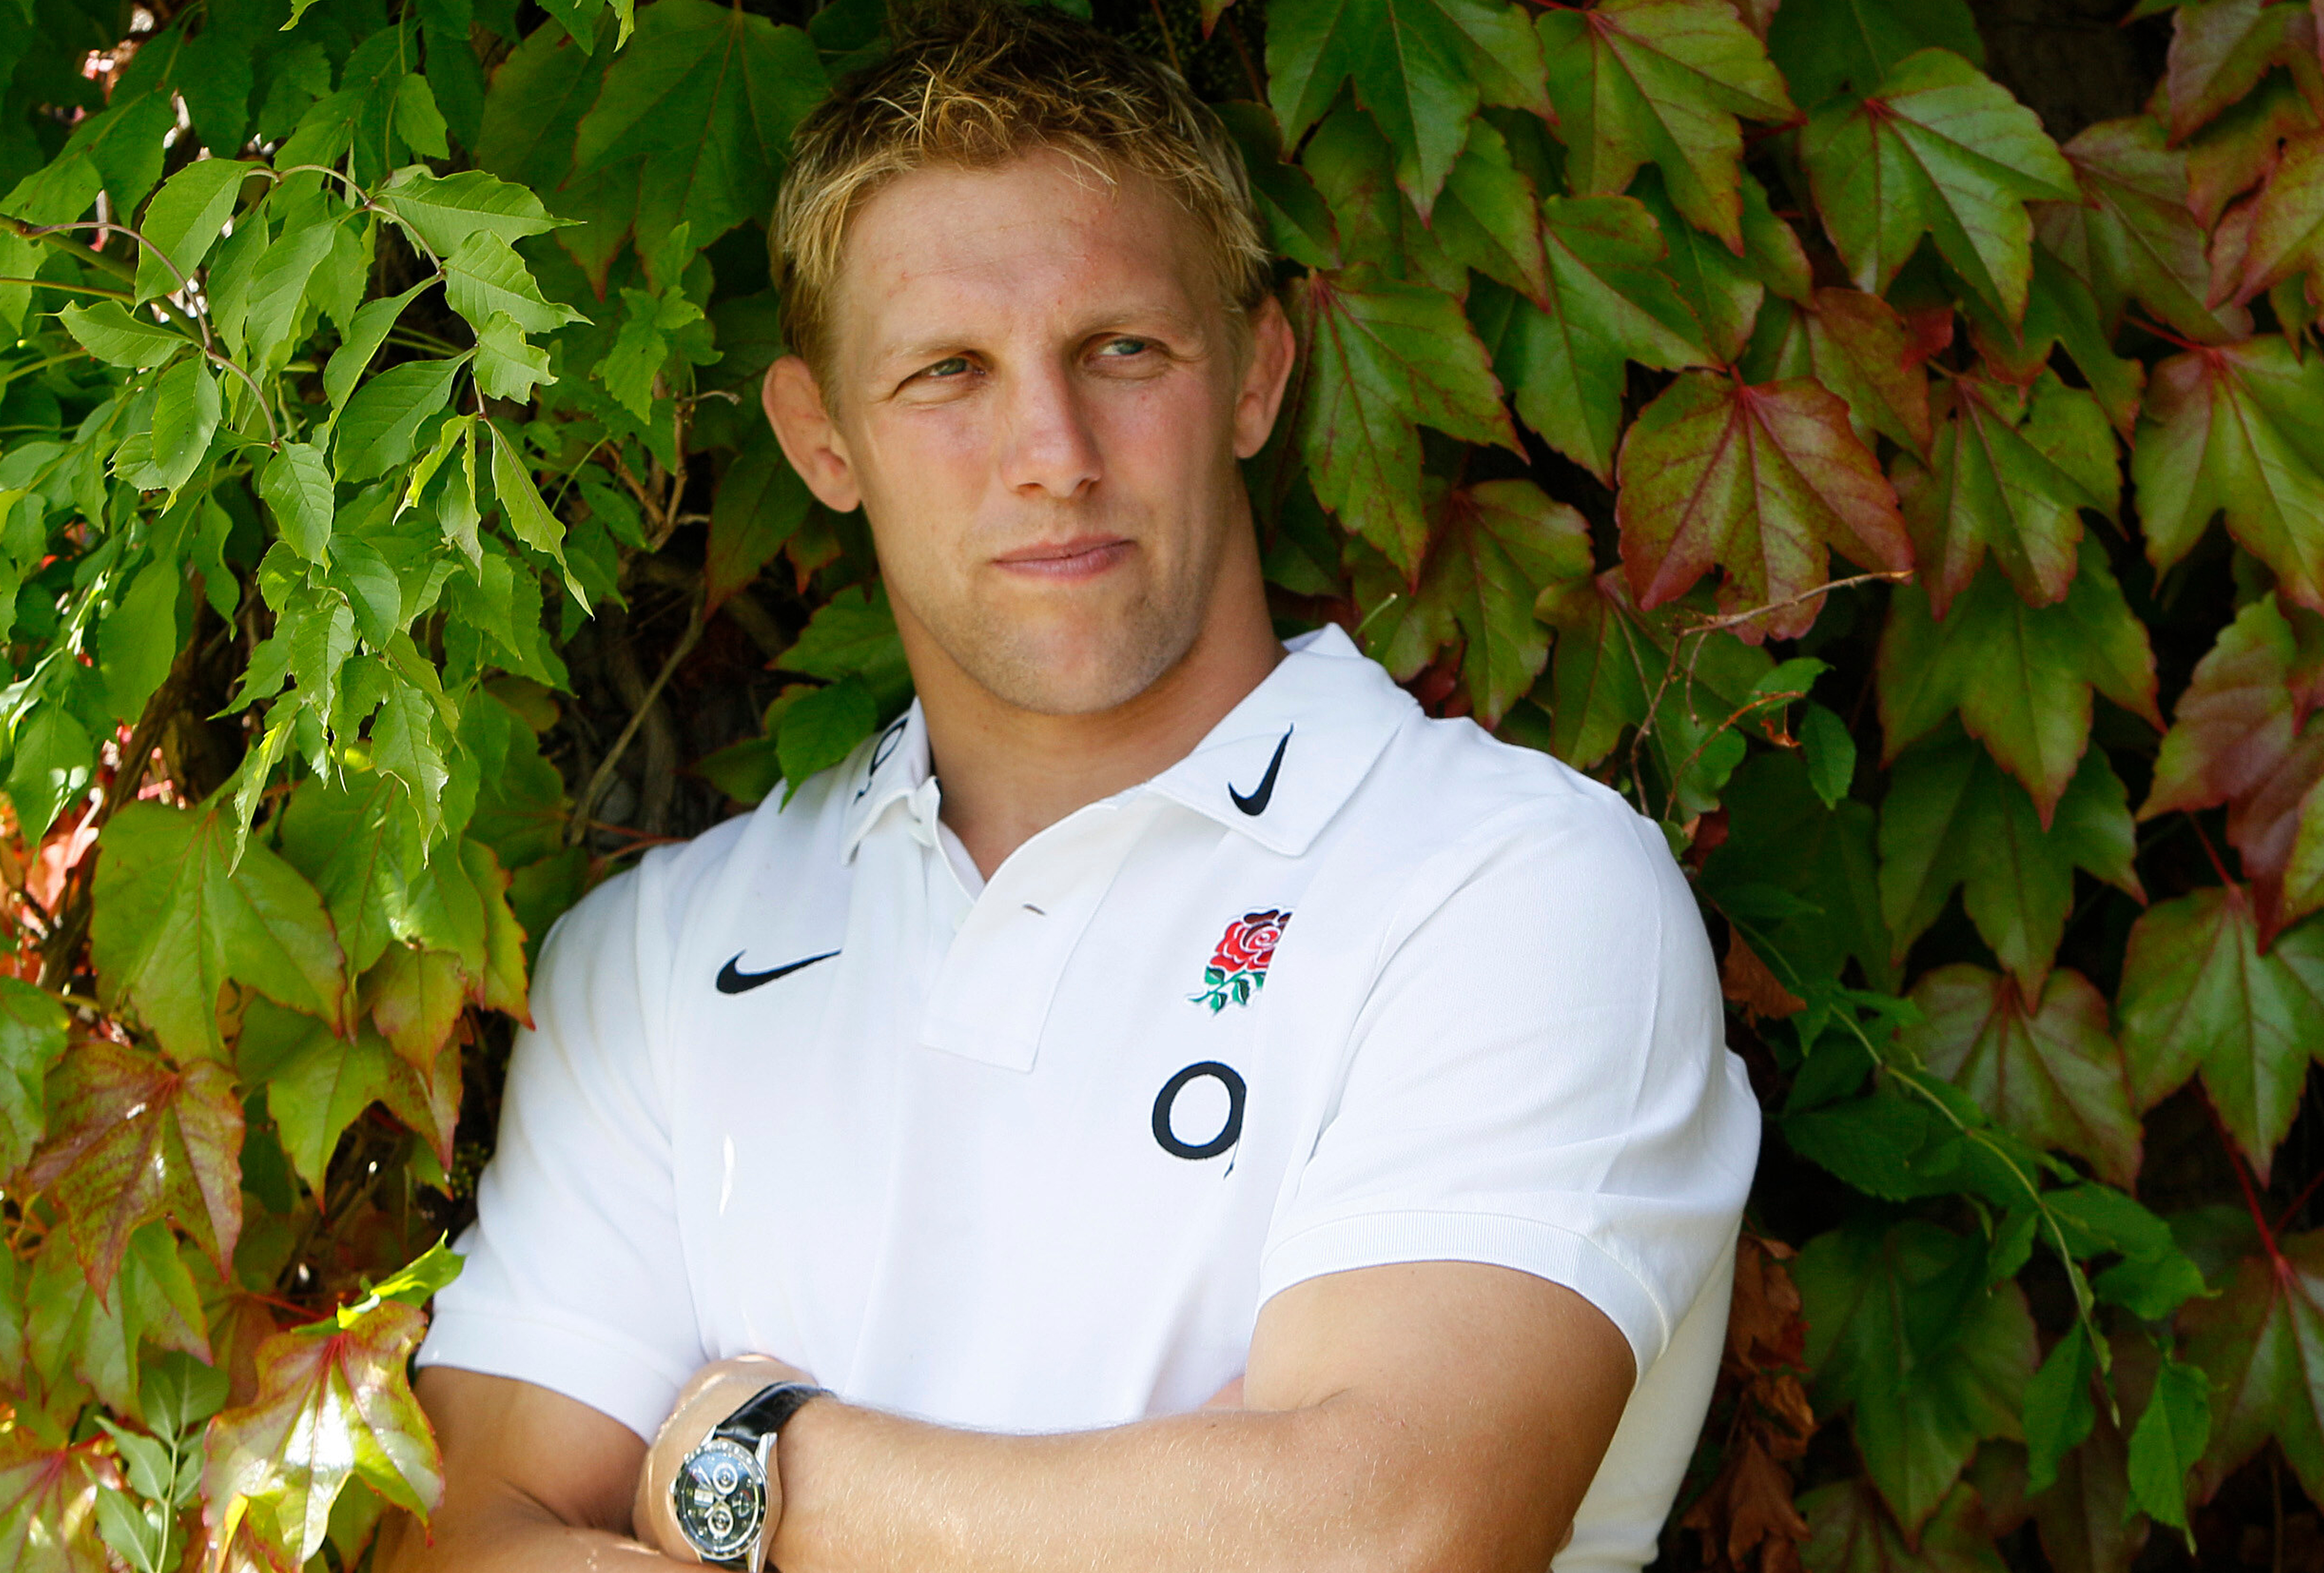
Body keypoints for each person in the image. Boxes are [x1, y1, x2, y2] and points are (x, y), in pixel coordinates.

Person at [382, 6, 1759, 1571]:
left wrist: (760, 1469)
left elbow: (1375, 1533)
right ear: (820, 438)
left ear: (1254, 375)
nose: (1050, 449)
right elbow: (464, 1542)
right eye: (946, 372)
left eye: (1121, 349)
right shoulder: (654, 960)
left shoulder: (1509, 888)